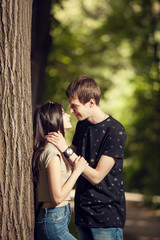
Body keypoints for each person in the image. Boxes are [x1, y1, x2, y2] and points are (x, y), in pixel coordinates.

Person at [46, 76, 127, 240]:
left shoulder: (115, 131)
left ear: (91, 103)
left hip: (106, 218)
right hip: (82, 214)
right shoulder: (82, 125)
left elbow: (96, 177)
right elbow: (71, 162)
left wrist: (65, 149)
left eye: (74, 106)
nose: (71, 110)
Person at [32, 101, 88, 240]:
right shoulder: (52, 152)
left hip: (56, 220)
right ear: (54, 119)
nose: (68, 115)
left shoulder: (55, 149)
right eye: (63, 113)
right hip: (53, 222)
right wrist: (77, 171)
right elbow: (57, 197)